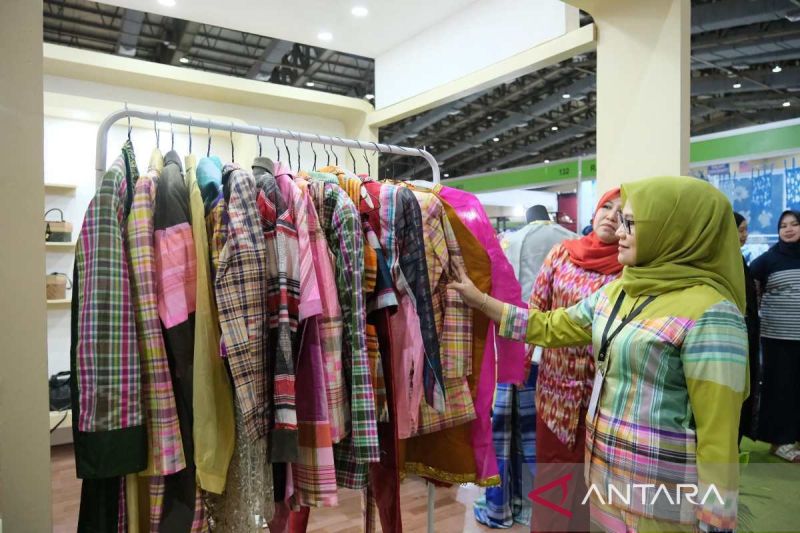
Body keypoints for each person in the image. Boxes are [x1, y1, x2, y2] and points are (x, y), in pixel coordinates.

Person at [451, 176, 748, 532]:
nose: (619, 231)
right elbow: (552, 325)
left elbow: (718, 436)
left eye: (631, 223)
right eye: (619, 219)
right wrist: (481, 301)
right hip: (606, 473)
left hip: (661, 488)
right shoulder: (621, 291)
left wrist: (715, 520)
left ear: (674, 230)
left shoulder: (711, 313)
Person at [522, 188, 623, 532]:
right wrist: (521, 365)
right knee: (553, 477)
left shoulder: (634, 266)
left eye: (621, 212)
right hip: (557, 393)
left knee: (593, 484)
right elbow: (537, 308)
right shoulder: (562, 254)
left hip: (605, 396)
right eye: (606, 206)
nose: (611, 215)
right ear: (595, 211)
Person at [749, 209, 800, 462]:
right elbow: (748, 283)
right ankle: (780, 440)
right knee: (781, 389)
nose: (788, 229)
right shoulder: (769, 259)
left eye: (794, 224)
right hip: (777, 337)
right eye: (783, 226)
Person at [733, 212, 761, 444]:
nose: (745, 235)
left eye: (745, 230)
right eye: (740, 230)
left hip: (746, 336)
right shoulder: (724, 263)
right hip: (734, 339)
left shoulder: (738, 260)